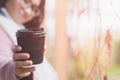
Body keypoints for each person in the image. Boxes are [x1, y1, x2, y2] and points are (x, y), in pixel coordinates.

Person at [0, 0, 58, 80]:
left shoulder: (22, 29)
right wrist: (15, 70)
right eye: (26, 1)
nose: (28, 11)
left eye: (34, 8)